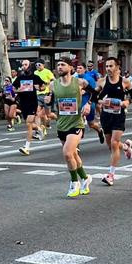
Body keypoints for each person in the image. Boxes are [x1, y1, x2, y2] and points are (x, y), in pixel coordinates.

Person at [52, 57, 92, 198]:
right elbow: (51, 100)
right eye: (58, 65)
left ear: (70, 68)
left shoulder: (80, 82)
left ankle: (74, 183)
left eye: (63, 64)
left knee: (68, 153)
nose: (60, 67)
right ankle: (85, 178)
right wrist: (46, 102)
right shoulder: (53, 85)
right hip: (61, 124)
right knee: (73, 155)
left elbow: (94, 92)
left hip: (76, 124)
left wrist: (88, 104)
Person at [95, 56, 132, 186]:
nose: (108, 69)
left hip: (118, 116)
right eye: (106, 66)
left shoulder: (125, 82)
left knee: (114, 142)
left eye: (111, 66)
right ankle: (126, 147)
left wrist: (126, 102)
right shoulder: (101, 81)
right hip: (106, 116)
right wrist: (102, 101)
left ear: (117, 67)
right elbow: (95, 97)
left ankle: (111, 175)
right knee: (111, 146)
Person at [14, 59, 44, 156]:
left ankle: (27, 147)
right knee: (29, 124)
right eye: (23, 65)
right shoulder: (20, 78)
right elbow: (13, 89)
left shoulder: (35, 77)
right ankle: (39, 129)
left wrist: (38, 88)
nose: (24, 66)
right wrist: (19, 90)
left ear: (30, 66)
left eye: (26, 65)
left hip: (32, 103)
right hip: (23, 104)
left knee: (28, 124)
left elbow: (43, 86)